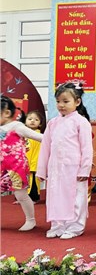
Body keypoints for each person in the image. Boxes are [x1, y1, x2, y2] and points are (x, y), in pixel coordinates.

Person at [37, 83, 93, 239]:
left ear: (77, 102)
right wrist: (42, 170)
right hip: (55, 168)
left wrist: (85, 169)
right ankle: (57, 225)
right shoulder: (52, 123)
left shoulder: (81, 122)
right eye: (58, 101)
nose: (61, 105)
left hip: (74, 168)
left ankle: (75, 227)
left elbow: (87, 148)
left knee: (75, 198)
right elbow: (45, 147)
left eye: (66, 101)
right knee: (55, 196)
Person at [0, 96, 43, 231]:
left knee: (21, 195)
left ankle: (30, 220)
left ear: (7, 113)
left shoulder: (17, 126)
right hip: (2, 167)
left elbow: (40, 137)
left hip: (16, 167)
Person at [25, 110, 45, 204]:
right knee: (23, 182)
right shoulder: (23, 135)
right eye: (30, 119)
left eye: (36, 119)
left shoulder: (39, 136)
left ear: (40, 124)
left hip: (34, 164)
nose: (32, 121)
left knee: (33, 183)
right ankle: (22, 198)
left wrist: (35, 164)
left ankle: (33, 198)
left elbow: (39, 152)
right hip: (24, 163)